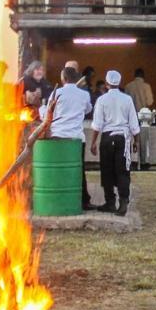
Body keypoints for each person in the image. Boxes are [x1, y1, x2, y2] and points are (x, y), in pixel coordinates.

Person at [39, 66, 96, 211]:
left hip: (58, 137)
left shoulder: (56, 93)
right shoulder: (84, 95)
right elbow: (88, 109)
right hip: (76, 138)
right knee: (79, 170)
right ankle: (84, 201)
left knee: (57, 170)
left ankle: (56, 200)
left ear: (63, 78)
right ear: (77, 79)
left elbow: (47, 115)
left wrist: (41, 108)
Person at [89, 70, 140, 215]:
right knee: (123, 170)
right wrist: (136, 142)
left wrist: (93, 143)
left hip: (107, 138)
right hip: (124, 138)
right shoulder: (127, 99)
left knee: (107, 170)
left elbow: (97, 124)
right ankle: (123, 202)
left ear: (106, 84)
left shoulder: (101, 100)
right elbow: (134, 124)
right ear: (119, 83)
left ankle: (110, 201)